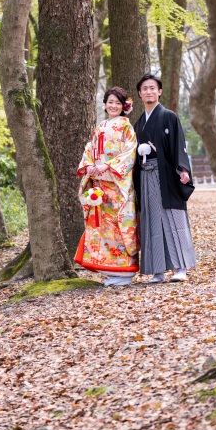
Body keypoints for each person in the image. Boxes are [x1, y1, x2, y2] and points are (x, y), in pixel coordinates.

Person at [132, 74, 196, 283]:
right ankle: (157, 270)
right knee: (151, 220)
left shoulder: (169, 116)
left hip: (166, 173)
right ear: (140, 94)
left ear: (159, 92)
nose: (149, 91)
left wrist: (183, 168)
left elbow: (179, 144)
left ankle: (181, 268)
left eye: (153, 88)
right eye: (145, 89)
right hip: (145, 174)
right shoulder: (139, 123)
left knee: (172, 217)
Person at [74, 87, 139, 285]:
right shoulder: (100, 126)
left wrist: (106, 166)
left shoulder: (126, 127)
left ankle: (125, 272)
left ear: (124, 107)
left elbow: (129, 153)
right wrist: (89, 167)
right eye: (110, 102)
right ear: (104, 104)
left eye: (117, 103)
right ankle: (109, 269)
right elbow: (89, 149)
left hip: (117, 185)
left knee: (118, 225)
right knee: (102, 227)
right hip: (101, 185)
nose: (113, 106)